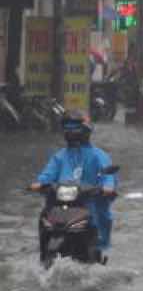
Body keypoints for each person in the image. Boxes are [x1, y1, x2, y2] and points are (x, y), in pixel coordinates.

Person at [30, 110, 117, 264]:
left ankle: (97, 249)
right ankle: (44, 256)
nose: (70, 131)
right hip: (59, 205)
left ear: (85, 129)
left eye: (74, 127)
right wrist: (38, 184)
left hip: (88, 204)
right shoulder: (59, 156)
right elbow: (47, 175)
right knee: (45, 214)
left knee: (101, 215)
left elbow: (108, 176)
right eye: (67, 127)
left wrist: (107, 186)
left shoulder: (98, 155)